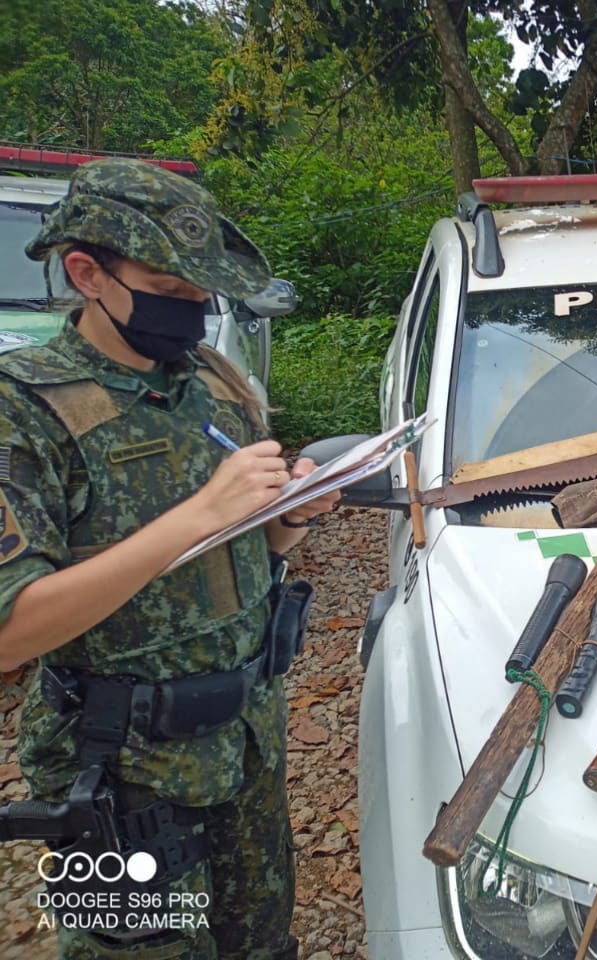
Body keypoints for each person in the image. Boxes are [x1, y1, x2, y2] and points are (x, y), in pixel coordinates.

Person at [0, 157, 339, 959]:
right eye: (171, 284)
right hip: (123, 769)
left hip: (245, 739)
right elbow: (12, 629)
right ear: (87, 273)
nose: (194, 305)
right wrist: (199, 513)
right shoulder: (24, 406)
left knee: (260, 944)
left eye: (202, 290)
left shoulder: (212, 383)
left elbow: (253, 547)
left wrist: (292, 517)